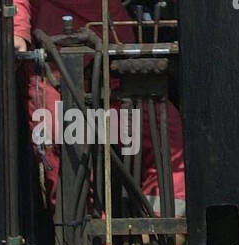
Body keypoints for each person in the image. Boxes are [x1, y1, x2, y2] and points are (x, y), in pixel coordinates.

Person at [13, 1, 185, 213]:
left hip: (119, 74)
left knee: (170, 138)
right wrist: (17, 29)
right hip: (57, 75)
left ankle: (161, 229)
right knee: (67, 161)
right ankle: (87, 238)